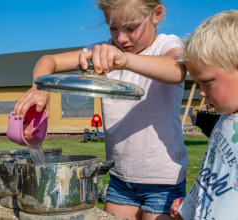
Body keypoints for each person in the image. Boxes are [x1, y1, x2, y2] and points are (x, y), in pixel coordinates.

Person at [13, 0, 188, 219]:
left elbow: (176, 70)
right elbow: (49, 61)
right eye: (113, 28)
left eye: (131, 28)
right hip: (119, 179)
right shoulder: (103, 52)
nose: (121, 38)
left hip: (163, 182)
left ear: (157, 14)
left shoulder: (166, 45)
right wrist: (40, 87)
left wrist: (123, 60)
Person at [170, 10, 238, 220]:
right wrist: (191, 203)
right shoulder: (224, 119)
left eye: (207, 81)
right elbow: (212, 174)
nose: (200, 91)